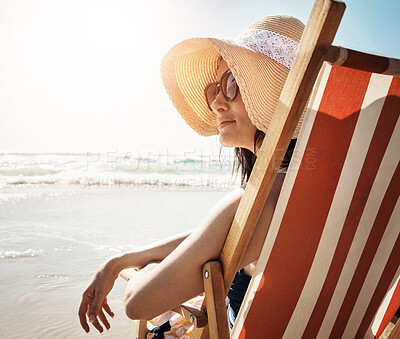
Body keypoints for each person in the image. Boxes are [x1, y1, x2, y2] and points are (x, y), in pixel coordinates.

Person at [78, 14, 305, 336]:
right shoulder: (332, 187)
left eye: (231, 83)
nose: (215, 103)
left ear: (276, 96)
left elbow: (139, 304)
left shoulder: (259, 201)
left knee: (167, 324)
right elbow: (218, 237)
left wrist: (147, 268)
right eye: (214, 89)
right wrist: (120, 260)